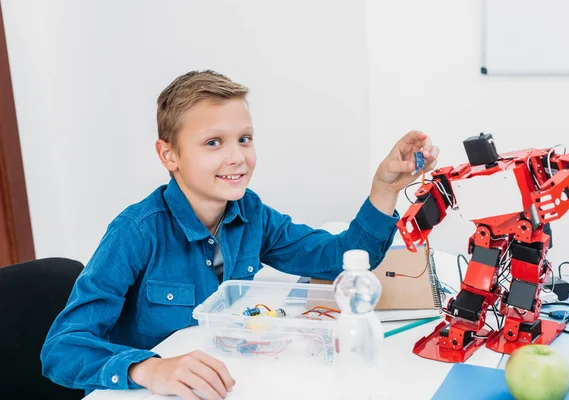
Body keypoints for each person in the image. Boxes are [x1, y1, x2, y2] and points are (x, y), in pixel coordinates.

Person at [41, 70, 439, 400]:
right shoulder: (136, 232)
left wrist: (385, 187)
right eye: (213, 142)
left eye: (244, 139)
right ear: (169, 155)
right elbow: (61, 349)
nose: (237, 157)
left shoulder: (251, 213)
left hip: (229, 381)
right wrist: (151, 368)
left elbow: (340, 259)